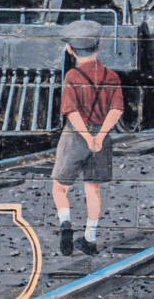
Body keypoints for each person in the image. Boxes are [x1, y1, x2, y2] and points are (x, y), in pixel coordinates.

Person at [50, 18, 122, 257]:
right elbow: (116, 110)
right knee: (93, 189)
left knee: (59, 187)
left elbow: (71, 111)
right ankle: (89, 239)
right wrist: (99, 136)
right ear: (99, 46)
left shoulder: (72, 76)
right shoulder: (112, 76)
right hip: (102, 135)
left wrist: (85, 136)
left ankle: (65, 223)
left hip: (74, 136)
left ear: (70, 50)